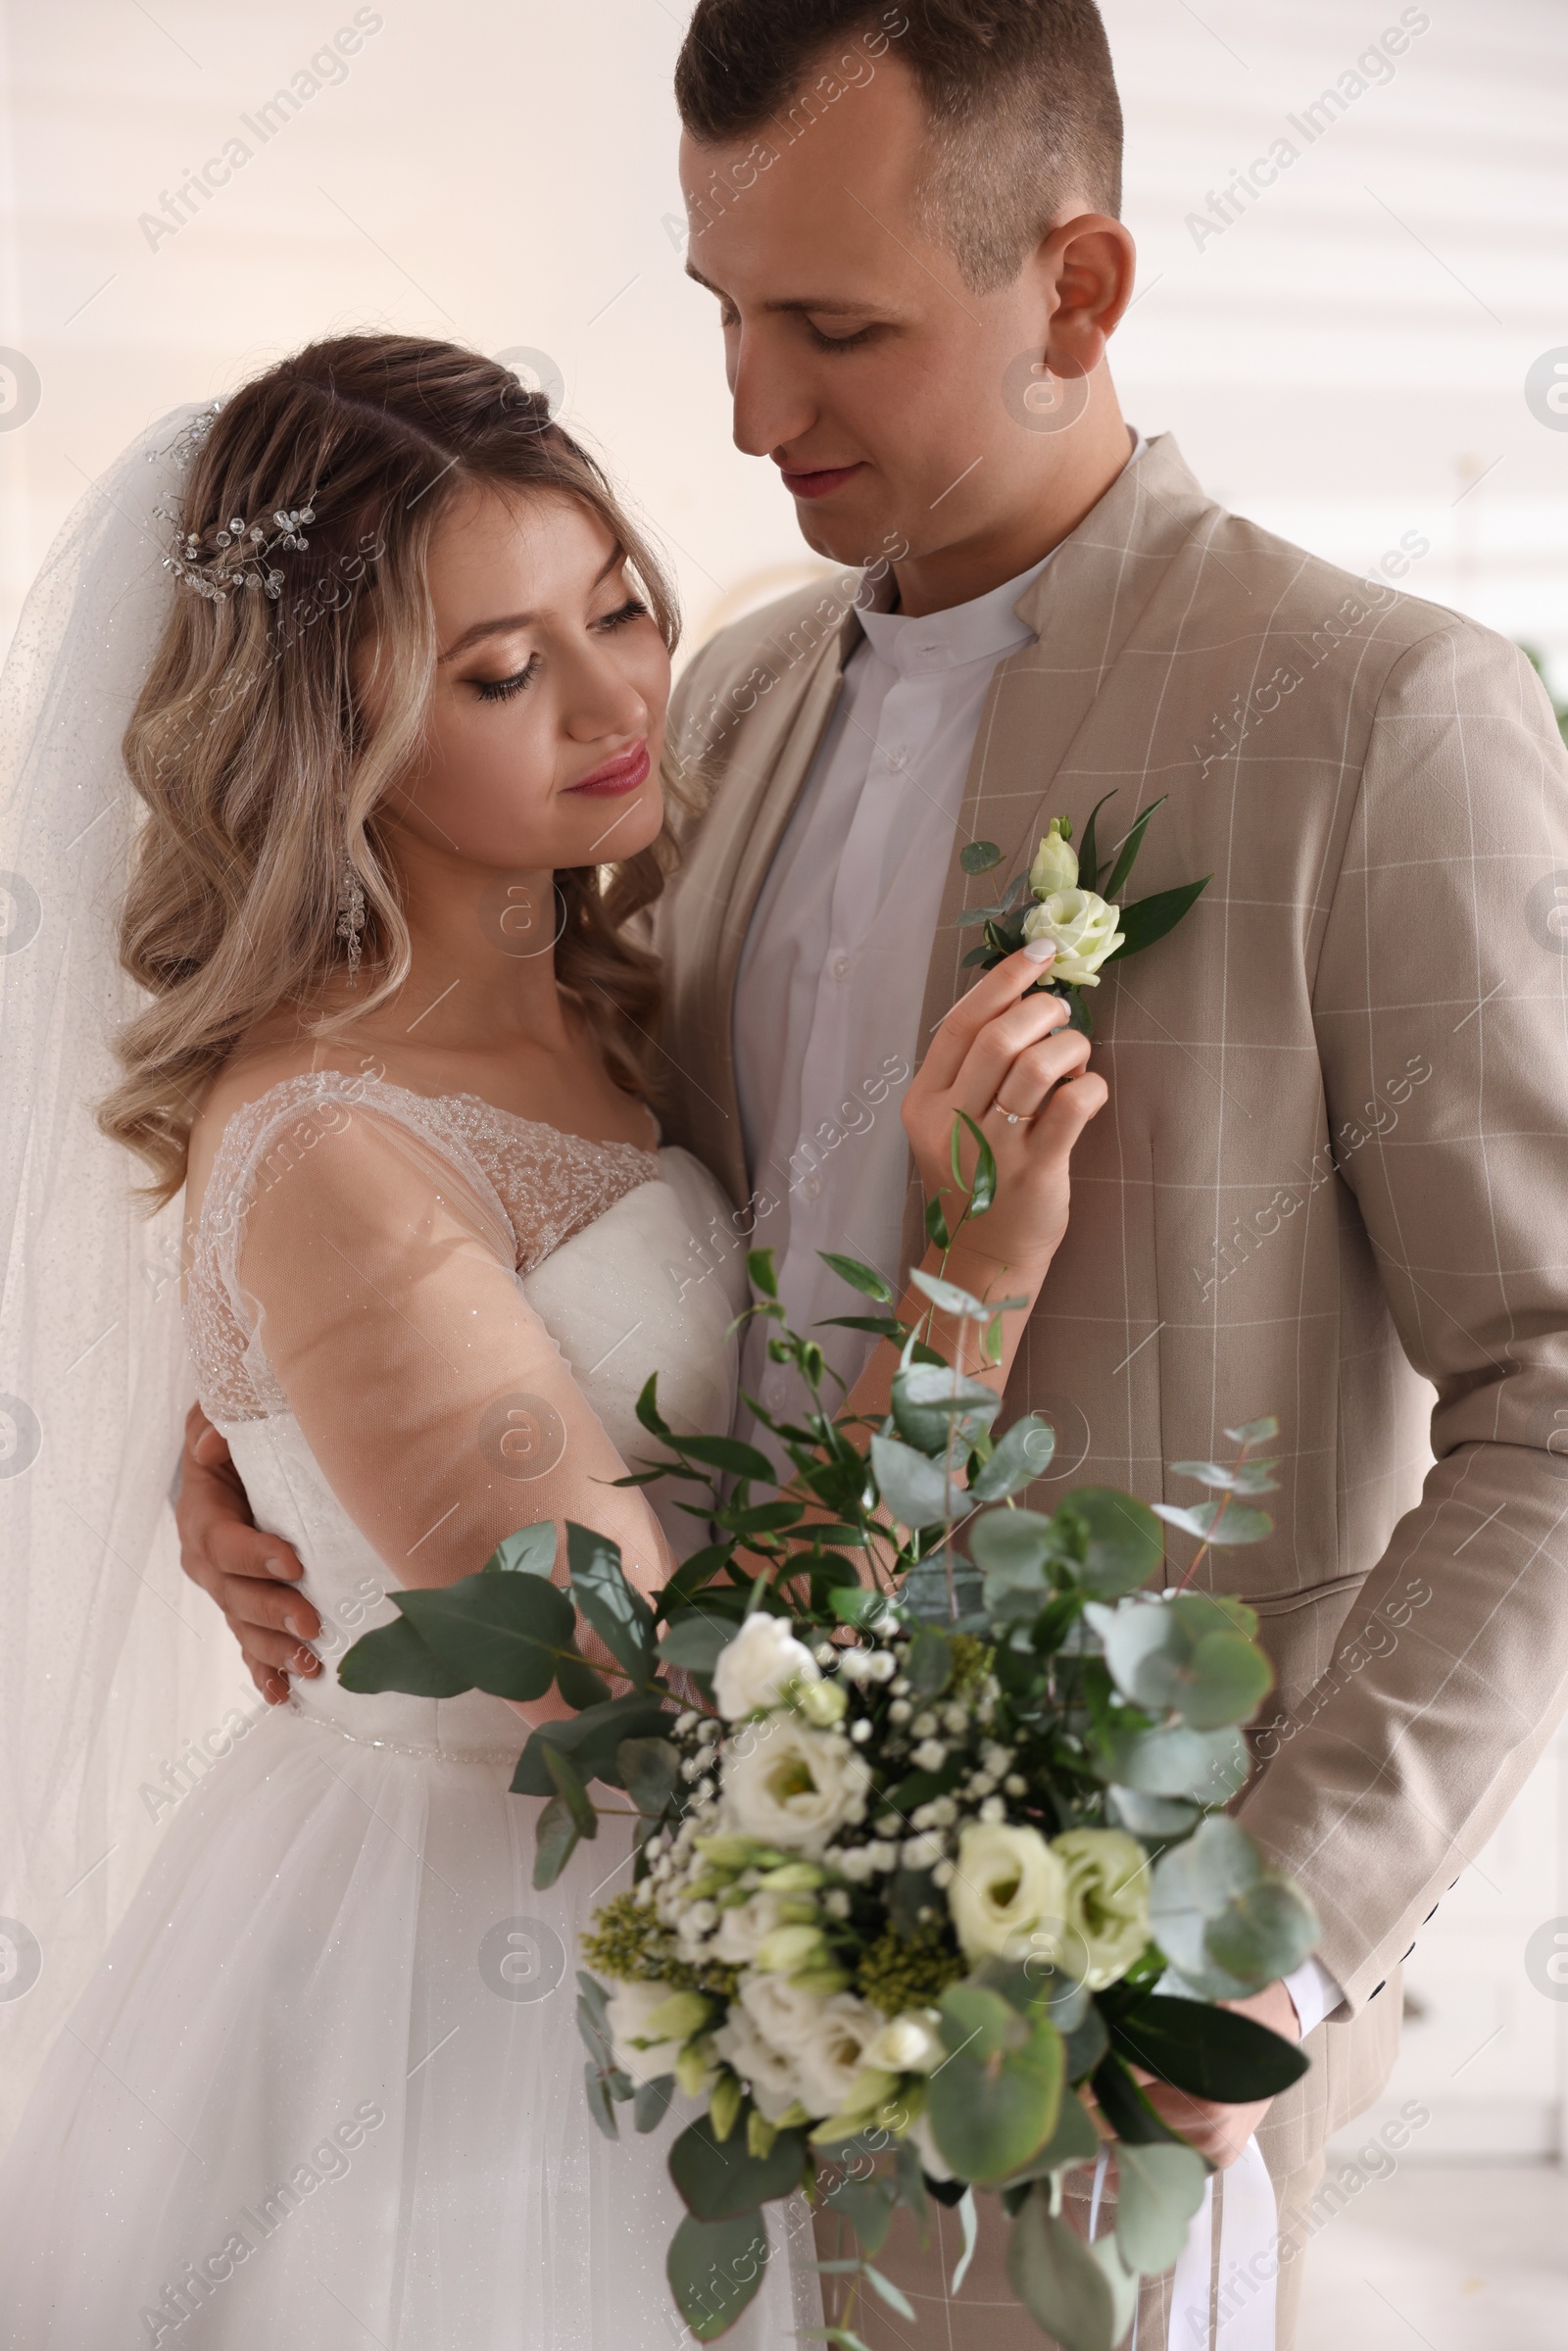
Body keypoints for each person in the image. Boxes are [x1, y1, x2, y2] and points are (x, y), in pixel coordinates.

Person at [173, 7, 1568, 2348]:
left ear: (1079, 287)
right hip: (646, 2009)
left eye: (831, 327)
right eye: (721, 306)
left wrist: (1276, 1940)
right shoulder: (718, 704)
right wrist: (279, 1448)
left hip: (1102, 2027)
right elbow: (536, 1216)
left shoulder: (1373, 713)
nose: (743, 410)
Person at [0, 332, 1103, 2346]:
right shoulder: (339, 1145)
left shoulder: (597, 981)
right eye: (499, 673)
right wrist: (970, 1285)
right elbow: (665, 1694)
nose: (615, 703)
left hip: (641, 1954)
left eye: (617, 607)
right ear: (333, 747)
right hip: (463, 1984)